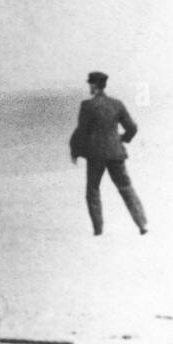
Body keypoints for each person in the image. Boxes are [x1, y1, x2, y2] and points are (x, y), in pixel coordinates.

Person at [69, 71, 147, 235]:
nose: (89, 87)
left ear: (94, 86)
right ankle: (142, 225)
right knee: (126, 188)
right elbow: (132, 128)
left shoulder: (87, 106)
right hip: (115, 153)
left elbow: (81, 131)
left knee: (93, 191)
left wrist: (75, 150)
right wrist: (122, 139)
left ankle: (98, 230)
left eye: (90, 84)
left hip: (96, 155)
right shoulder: (117, 104)